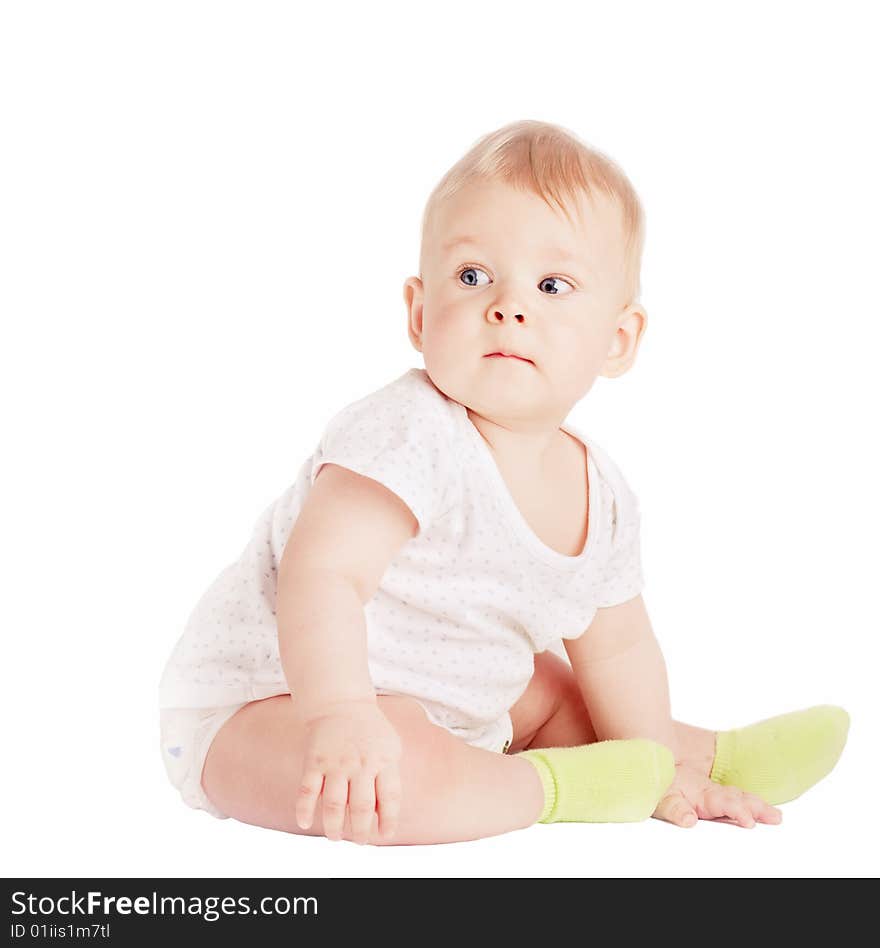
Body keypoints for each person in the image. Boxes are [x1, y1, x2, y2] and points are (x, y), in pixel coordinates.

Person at [158, 119, 849, 845]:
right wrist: (342, 714)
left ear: (617, 341)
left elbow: (617, 648)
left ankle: (684, 758)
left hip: (459, 696)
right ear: (421, 316)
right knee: (390, 781)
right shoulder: (407, 431)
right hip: (273, 703)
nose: (508, 306)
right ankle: (558, 786)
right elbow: (322, 575)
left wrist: (653, 760)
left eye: (552, 285)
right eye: (473, 276)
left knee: (561, 689)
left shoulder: (601, 492)